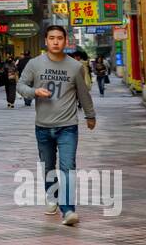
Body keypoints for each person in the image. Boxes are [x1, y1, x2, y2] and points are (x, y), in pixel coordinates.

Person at [20, 25, 97, 227]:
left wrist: (90, 115)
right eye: (52, 38)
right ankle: (51, 195)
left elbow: (83, 93)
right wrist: (35, 92)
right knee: (48, 167)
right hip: (43, 126)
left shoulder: (74, 66)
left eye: (60, 38)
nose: (55, 41)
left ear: (65, 41)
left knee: (67, 167)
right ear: (45, 41)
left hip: (68, 126)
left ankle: (68, 209)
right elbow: (21, 86)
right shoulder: (34, 64)